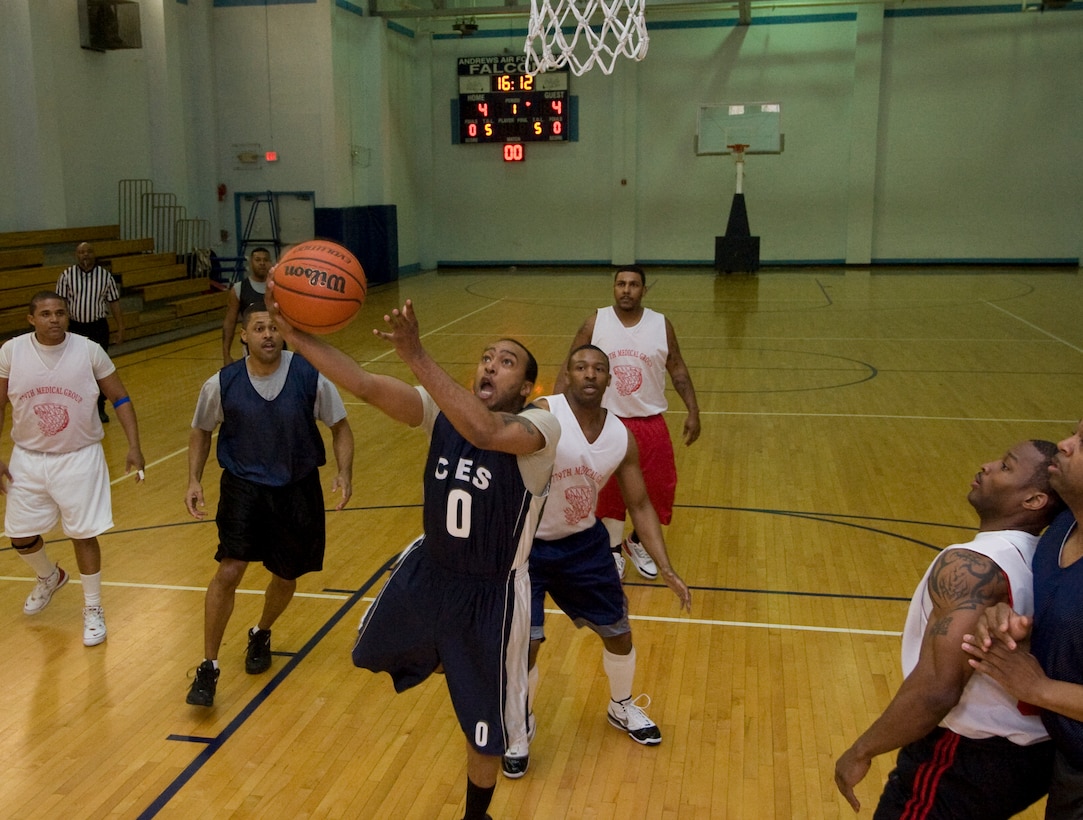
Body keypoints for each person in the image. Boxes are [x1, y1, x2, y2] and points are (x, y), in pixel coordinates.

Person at [266, 288, 559, 820]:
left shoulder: (539, 429)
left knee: (485, 732)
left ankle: (477, 813)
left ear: (527, 388)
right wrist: (296, 337)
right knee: (366, 651)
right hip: (430, 573)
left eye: (507, 362)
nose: (491, 365)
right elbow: (361, 383)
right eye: (487, 357)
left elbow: (485, 430)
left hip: (491, 595)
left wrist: (417, 355)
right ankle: (452, 657)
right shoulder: (441, 414)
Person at [834, 440, 1063, 818]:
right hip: (1030, 754)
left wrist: (862, 750)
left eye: (1006, 467)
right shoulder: (1044, 557)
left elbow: (937, 689)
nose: (987, 466)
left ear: (1034, 500)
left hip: (966, 754)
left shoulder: (971, 564)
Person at [502, 344, 693, 779]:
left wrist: (665, 568)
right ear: (567, 375)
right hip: (527, 546)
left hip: (583, 545)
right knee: (525, 642)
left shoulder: (620, 436)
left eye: (598, 369)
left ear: (610, 379)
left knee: (619, 633)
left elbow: (640, 504)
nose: (589, 374)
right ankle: (518, 724)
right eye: (580, 367)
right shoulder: (543, 412)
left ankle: (621, 706)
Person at [185, 304, 354, 707]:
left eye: (275, 327)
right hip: (243, 486)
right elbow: (201, 431)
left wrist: (344, 473)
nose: (267, 335)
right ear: (243, 335)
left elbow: (341, 427)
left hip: (297, 485)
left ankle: (261, 632)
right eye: (259, 327)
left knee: (286, 573)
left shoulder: (309, 375)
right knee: (230, 568)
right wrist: (193, 478)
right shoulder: (221, 383)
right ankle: (208, 666)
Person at [0, 291, 144, 646]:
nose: (54, 319)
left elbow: (120, 398)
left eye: (60, 313)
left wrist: (134, 446)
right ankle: (50, 577)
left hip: (80, 456)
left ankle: (93, 608)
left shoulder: (89, 350)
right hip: (28, 457)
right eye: (46, 314)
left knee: (82, 533)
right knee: (19, 534)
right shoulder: (11, 352)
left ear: (68, 316)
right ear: (31, 318)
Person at [963, 421, 1083, 818]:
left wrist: (1041, 689)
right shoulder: (1062, 530)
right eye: (1075, 432)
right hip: (1068, 763)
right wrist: (1009, 623)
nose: (1064, 446)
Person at [555, 264, 700, 580]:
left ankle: (638, 542)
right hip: (607, 422)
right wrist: (555, 413)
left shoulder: (661, 325)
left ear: (644, 290)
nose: (626, 290)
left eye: (633, 284)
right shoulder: (596, 321)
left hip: (650, 422)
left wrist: (693, 409)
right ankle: (611, 552)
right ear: (614, 287)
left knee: (660, 488)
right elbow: (571, 364)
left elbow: (677, 368)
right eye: (620, 283)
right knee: (609, 494)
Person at [56, 241, 124, 423]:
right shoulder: (66, 276)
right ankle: (78, 406)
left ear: (94, 254)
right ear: (76, 255)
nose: (85, 255)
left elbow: (114, 303)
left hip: (98, 327)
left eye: (88, 251)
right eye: (81, 252)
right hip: (76, 328)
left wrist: (120, 327)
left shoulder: (105, 276)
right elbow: (60, 305)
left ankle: (100, 407)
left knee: (99, 369)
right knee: (76, 368)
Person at [221, 246, 273, 367]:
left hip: (278, 346)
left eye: (265, 260)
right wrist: (226, 354)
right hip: (251, 351)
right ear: (250, 262)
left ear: (271, 263)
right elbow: (229, 323)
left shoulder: (280, 288)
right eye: (258, 260)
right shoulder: (239, 289)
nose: (262, 263)